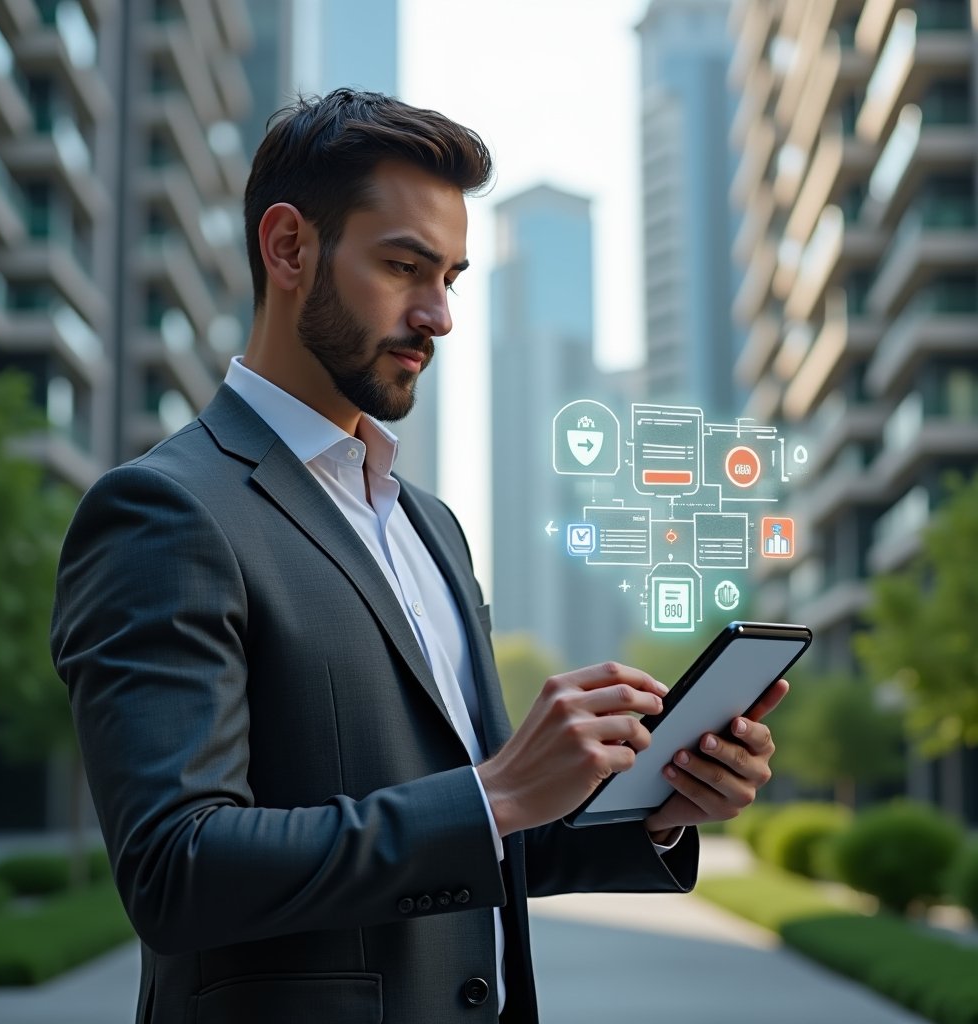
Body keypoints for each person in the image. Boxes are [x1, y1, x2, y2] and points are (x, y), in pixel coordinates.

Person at [51, 89, 786, 1024]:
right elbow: (176, 871)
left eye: (452, 277)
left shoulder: (430, 526)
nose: (438, 316)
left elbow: (482, 829)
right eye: (404, 267)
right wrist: (497, 788)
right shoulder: (163, 510)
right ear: (288, 249)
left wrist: (657, 806)